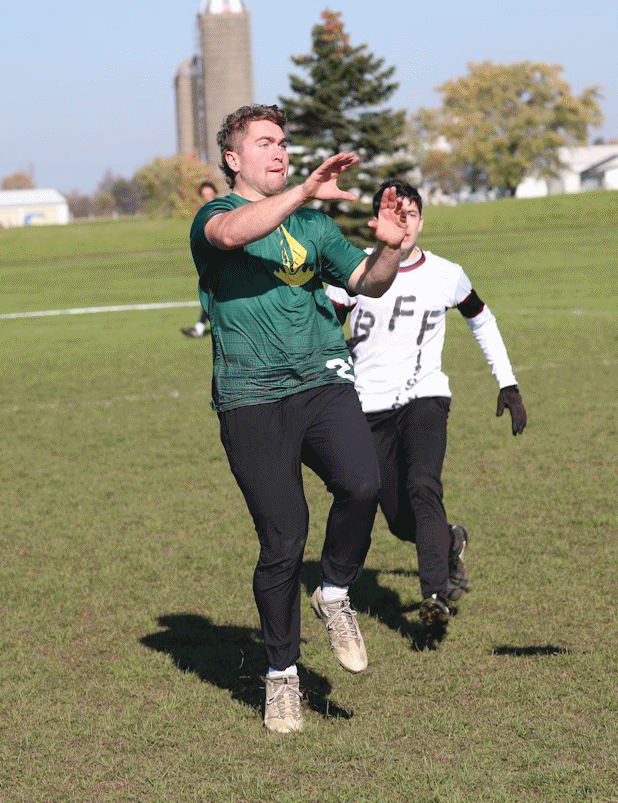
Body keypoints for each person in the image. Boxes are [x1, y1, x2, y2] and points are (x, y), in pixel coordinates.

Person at [189, 104, 412, 733]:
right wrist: (304, 190)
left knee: (363, 483)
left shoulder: (312, 223)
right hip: (250, 396)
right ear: (233, 158)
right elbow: (232, 236)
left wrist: (390, 248)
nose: (279, 151)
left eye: (283, 142)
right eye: (264, 143)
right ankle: (282, 676)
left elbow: (368, 282)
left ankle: (335, 591)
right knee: (284, 542)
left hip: (321, 380)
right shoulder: (213, 217)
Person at [326, 178, 526, 643]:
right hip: (367, 406)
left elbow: (482, 320)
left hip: (425, 397)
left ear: (421, 221)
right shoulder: (354, 272)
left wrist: (508, 383)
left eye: (411, 215)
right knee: (400, 520)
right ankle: (451, 541)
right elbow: (323, 329)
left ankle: (434, 597)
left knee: (423, 486)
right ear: (377, 221)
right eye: (394, 215)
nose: (404, 224)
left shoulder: (446, 274)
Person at [182, 181, 219, 338]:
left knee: (215, 295)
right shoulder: (202, 213)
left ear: (215, 193)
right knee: (212, 295)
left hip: (224, 259)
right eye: (204, 195)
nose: (208, 197)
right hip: (211, 260)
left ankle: (200, 328)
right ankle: (200, 328)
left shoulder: (223, 209)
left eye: (210, 194)